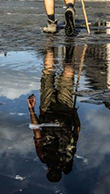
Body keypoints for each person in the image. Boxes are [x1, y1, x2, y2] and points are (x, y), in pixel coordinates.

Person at [28, 47, 80, 182]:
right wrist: (31, 110)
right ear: (49, 170)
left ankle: (69, 52)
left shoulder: (68, 157)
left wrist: (74, 114)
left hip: (66, 112)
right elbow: (37, 132)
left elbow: (77, 131)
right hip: (47, 111)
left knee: (68, 78)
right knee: (48, 74)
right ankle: (50, 44)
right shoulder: (44, 157)